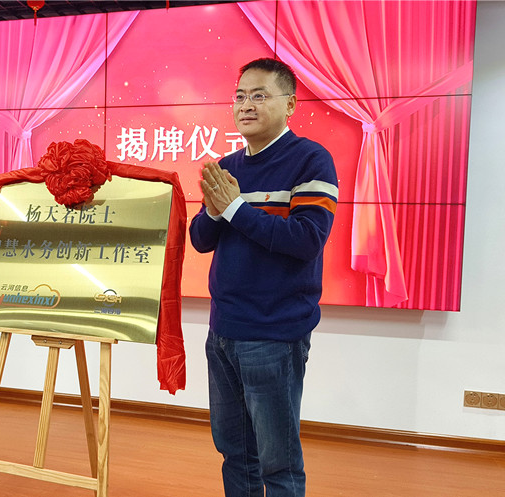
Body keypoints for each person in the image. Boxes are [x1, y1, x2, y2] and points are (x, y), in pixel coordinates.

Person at [189, 58, 338, 496]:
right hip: (223, 331)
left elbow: (306, 239)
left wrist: (236, 208)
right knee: (235, 454)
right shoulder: (227, 166)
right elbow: (200, 239)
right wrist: (215, 210)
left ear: (290, 104)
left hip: (274, 334)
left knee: (278, 464)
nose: (246, 105)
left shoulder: (310, 160)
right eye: (240, 96)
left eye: (259, 95)